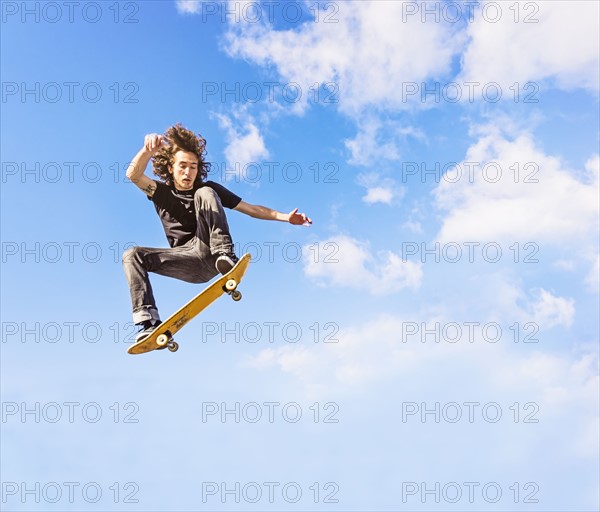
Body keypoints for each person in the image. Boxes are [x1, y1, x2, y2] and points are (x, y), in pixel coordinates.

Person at [122, 124, 312, 342]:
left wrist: (285, 217)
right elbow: (133, 175)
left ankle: (225, 254)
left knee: (205, 192)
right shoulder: (160, 192)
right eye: (182, 166)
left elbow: (252, 209)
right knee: (132, 255)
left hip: (212, 253)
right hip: (186, 261)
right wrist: (147, 151)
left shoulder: (207, 189)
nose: (188, 172)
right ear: (170, 168)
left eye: (193, 167)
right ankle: (148, 323)